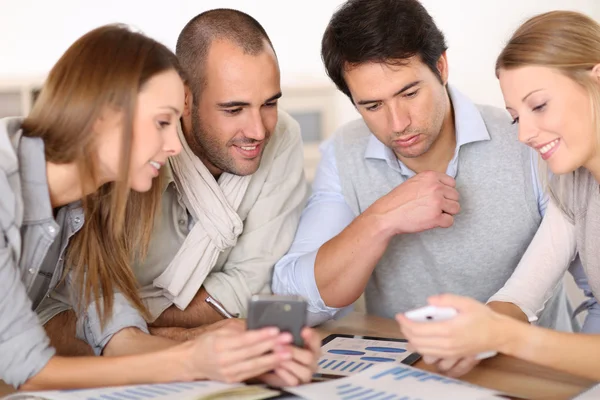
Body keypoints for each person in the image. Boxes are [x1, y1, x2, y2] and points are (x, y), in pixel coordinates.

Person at [272, 0, 582, 375]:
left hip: (532, 378)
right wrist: (381, 219)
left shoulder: (528, 138)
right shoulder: (344, 151)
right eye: (372, 106)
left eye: (409, 94)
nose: (398, 122)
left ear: (441, 67)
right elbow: (295, 300)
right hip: (412, 378)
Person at [1, 24, 317, 390]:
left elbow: (117, 335)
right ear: (104, 117)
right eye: (163, 123)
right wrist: (187, 359)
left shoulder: (80, 209)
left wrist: (232, 360)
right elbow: (30, 372)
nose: (174, 146)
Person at [399, 10, 600, 382]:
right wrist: (474, 333)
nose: (524, 135)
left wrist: (505, 336)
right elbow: (524, 292)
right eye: (515, 116)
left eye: (539, 105)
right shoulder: (573, 183)